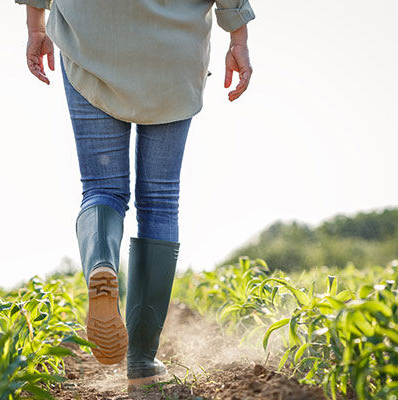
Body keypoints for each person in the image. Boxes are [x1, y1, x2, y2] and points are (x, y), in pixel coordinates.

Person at [14, 0, 255, 390]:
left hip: (92, 38)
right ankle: (141, 361)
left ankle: (101, 265)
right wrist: (238, 36)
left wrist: (35, 25)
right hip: (172, 50)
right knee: (159, 202)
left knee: (101, 187)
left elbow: (38, 16)